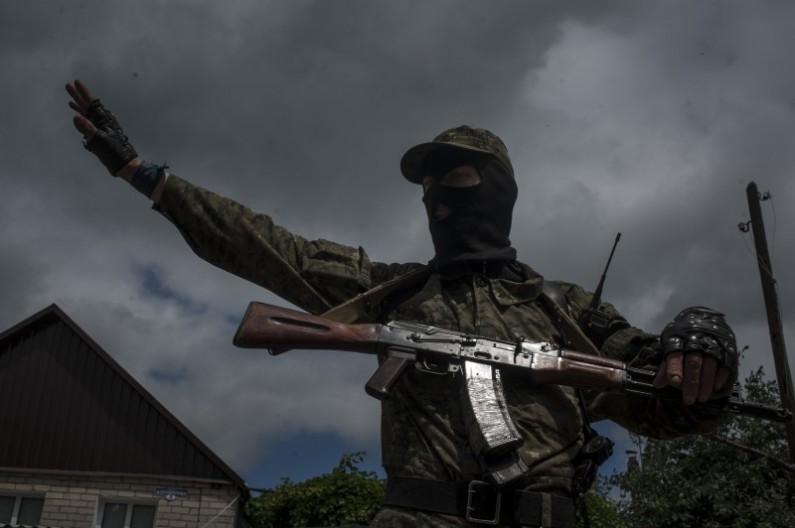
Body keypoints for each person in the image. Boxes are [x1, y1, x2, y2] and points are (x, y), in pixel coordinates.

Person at [67, 80, 738, 527]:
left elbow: (664, 400)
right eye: (428, 186)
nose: (439, 198)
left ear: (498, 191)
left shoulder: (566, 311)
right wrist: (143, 175)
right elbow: (265, 246)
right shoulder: (390, 290)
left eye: (458, 178)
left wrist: (699, 343)